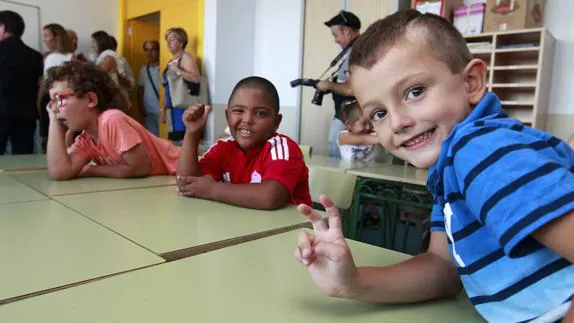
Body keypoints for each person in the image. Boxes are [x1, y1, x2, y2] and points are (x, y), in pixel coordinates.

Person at [294, 10, 574, 322]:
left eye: (415, 92)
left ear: (471, 82)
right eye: (379, 113)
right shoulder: (452, 167)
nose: (398, 122)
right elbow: (444, 269)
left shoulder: (480, 151)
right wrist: (351, 282)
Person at [177, 76, 312, 210]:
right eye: (238, 111)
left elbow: (270, 197)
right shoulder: (223, 147)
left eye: (260, 113)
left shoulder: (282, 147)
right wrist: (192, 133)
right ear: (227, 116)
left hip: (291, 228)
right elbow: (189, 183)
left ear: (276, 122)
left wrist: (212, 189)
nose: (247, 120)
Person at [45, 61, 180, 180]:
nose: (54, 108)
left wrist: (92, 170)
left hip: (184, 169)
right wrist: (54, 122)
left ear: (91, 100)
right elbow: (60, 172)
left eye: (59, 99)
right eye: (52, 102)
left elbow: (140, 167)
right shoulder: (86, 140)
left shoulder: (112, 119)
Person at [316, 10, 361, 158]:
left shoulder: (358, 52)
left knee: (341, 164)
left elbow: (354, 88)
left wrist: (329, 86)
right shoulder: (350, 52)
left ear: (346, 31)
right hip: (345, 118)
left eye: (335, 35)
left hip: (354, 122)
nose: (335, 40)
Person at [0, 10, 43, 155]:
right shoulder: (35, 56)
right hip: (27, 112)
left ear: (3, 28)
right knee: (23, 157)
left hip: (2, 109)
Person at [38, 23, 74, 153]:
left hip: (61, 97)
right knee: (47, 129)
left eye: (47, 36)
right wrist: (39, 98)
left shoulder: (70, 57)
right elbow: (44, 80)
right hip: (48, 97)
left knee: (62, 126)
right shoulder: (48, 57)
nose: (45, 39)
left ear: (57, 37)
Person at [163, 27, 202, 141]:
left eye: (172, 39)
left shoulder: (186, 58)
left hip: (183, 107)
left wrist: (177, 70)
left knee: (183, 141)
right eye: (167, 40)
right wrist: (165, 107)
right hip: (172, 107)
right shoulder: (172, 60)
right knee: (175, 140)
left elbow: (196, 79)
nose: (168, 43)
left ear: (181, 42)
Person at [138, 40, 161, 136]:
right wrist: (141, 107)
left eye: (153, 49)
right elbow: (140, 90)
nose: (150, 53)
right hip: (149, 111)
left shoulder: (164, 67)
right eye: (147, 50)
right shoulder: (143, 70)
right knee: (152, 137)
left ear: (158, 51)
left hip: (162, 110)